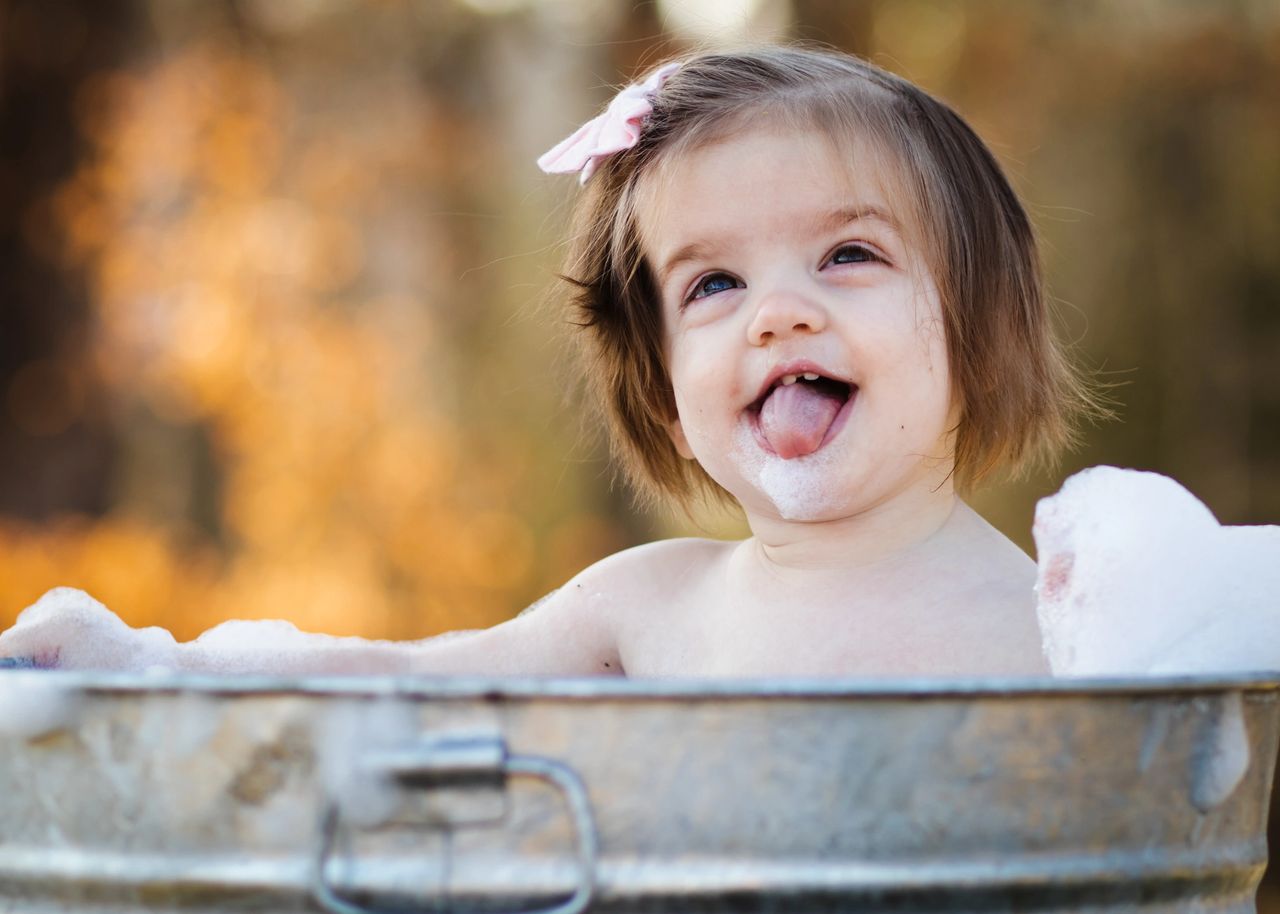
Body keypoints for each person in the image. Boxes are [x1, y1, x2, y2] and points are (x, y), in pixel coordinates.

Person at [0, 46, 1097, 678]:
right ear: (666, 401)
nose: (775, 314)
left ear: (976, 321)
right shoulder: (644, 606)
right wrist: (153, 665)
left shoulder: (1062, 613)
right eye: (711, 285)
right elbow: (407, 687)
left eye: (846, 253)